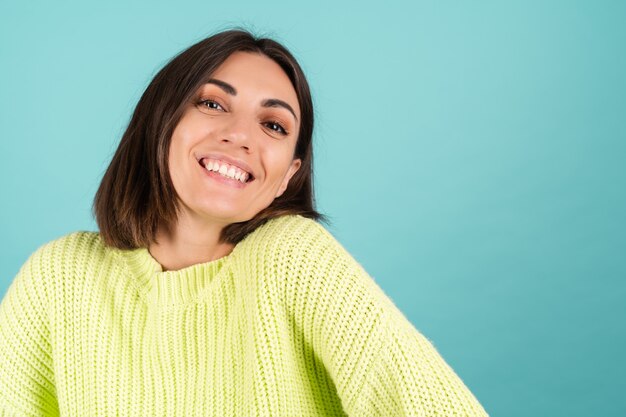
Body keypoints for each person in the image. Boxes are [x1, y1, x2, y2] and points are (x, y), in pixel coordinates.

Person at [0, 29, 489, 416]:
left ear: (287, 176)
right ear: (161, 121)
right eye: (212, 103)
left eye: (273, 125)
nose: (239, 135)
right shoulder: (58, 277)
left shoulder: (293, 257)